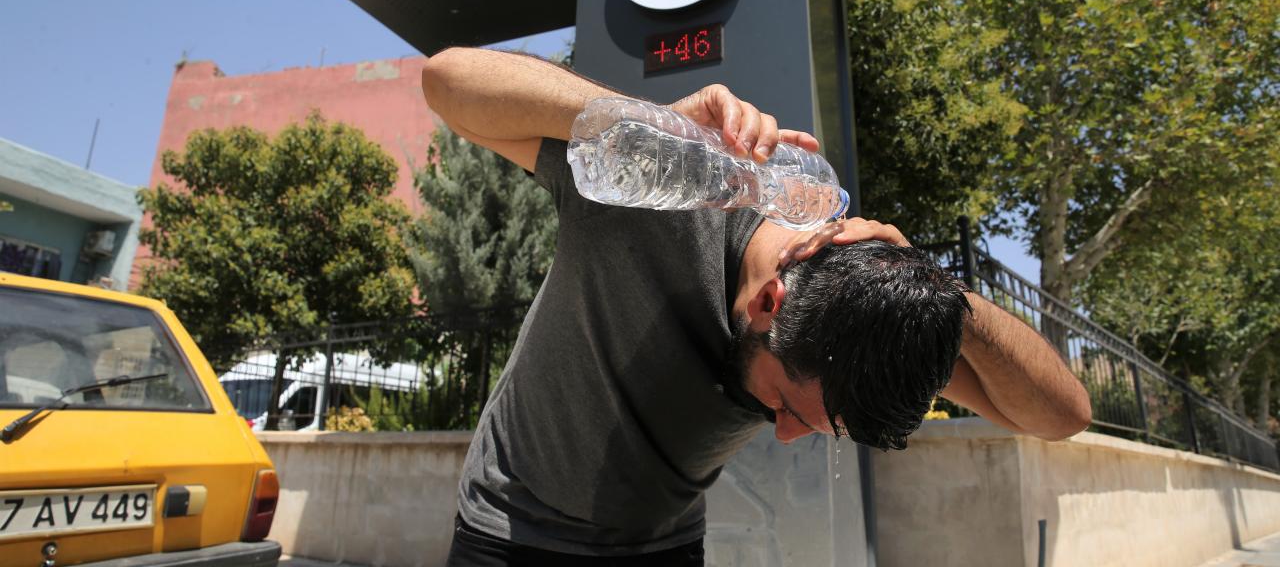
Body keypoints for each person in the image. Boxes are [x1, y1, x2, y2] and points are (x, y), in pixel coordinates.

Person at [420, 47, 1092, 566]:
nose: (785, 435)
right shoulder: (653, 201)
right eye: (788, 408)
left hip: (664, 545)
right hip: (512, 528)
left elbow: (1063, 416)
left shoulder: (855, 324)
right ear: (771, 301)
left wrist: (942, 297)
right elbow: (446, 81)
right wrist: (639, 121)